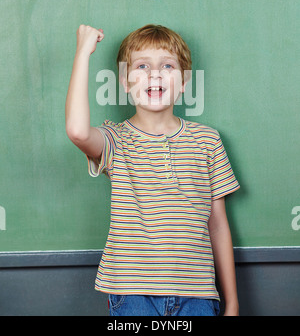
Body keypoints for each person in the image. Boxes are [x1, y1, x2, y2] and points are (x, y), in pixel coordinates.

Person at [65, 23, 240, 316]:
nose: (155, 74)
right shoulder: (116, 140)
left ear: (184, 81)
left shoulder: (208, 140)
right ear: (125, 81)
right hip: (132, 292)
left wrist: (232, 301)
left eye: (167, 66)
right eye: (142, 66)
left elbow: (218, 225)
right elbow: (78, 132)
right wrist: (83, 52)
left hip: (197, 292)